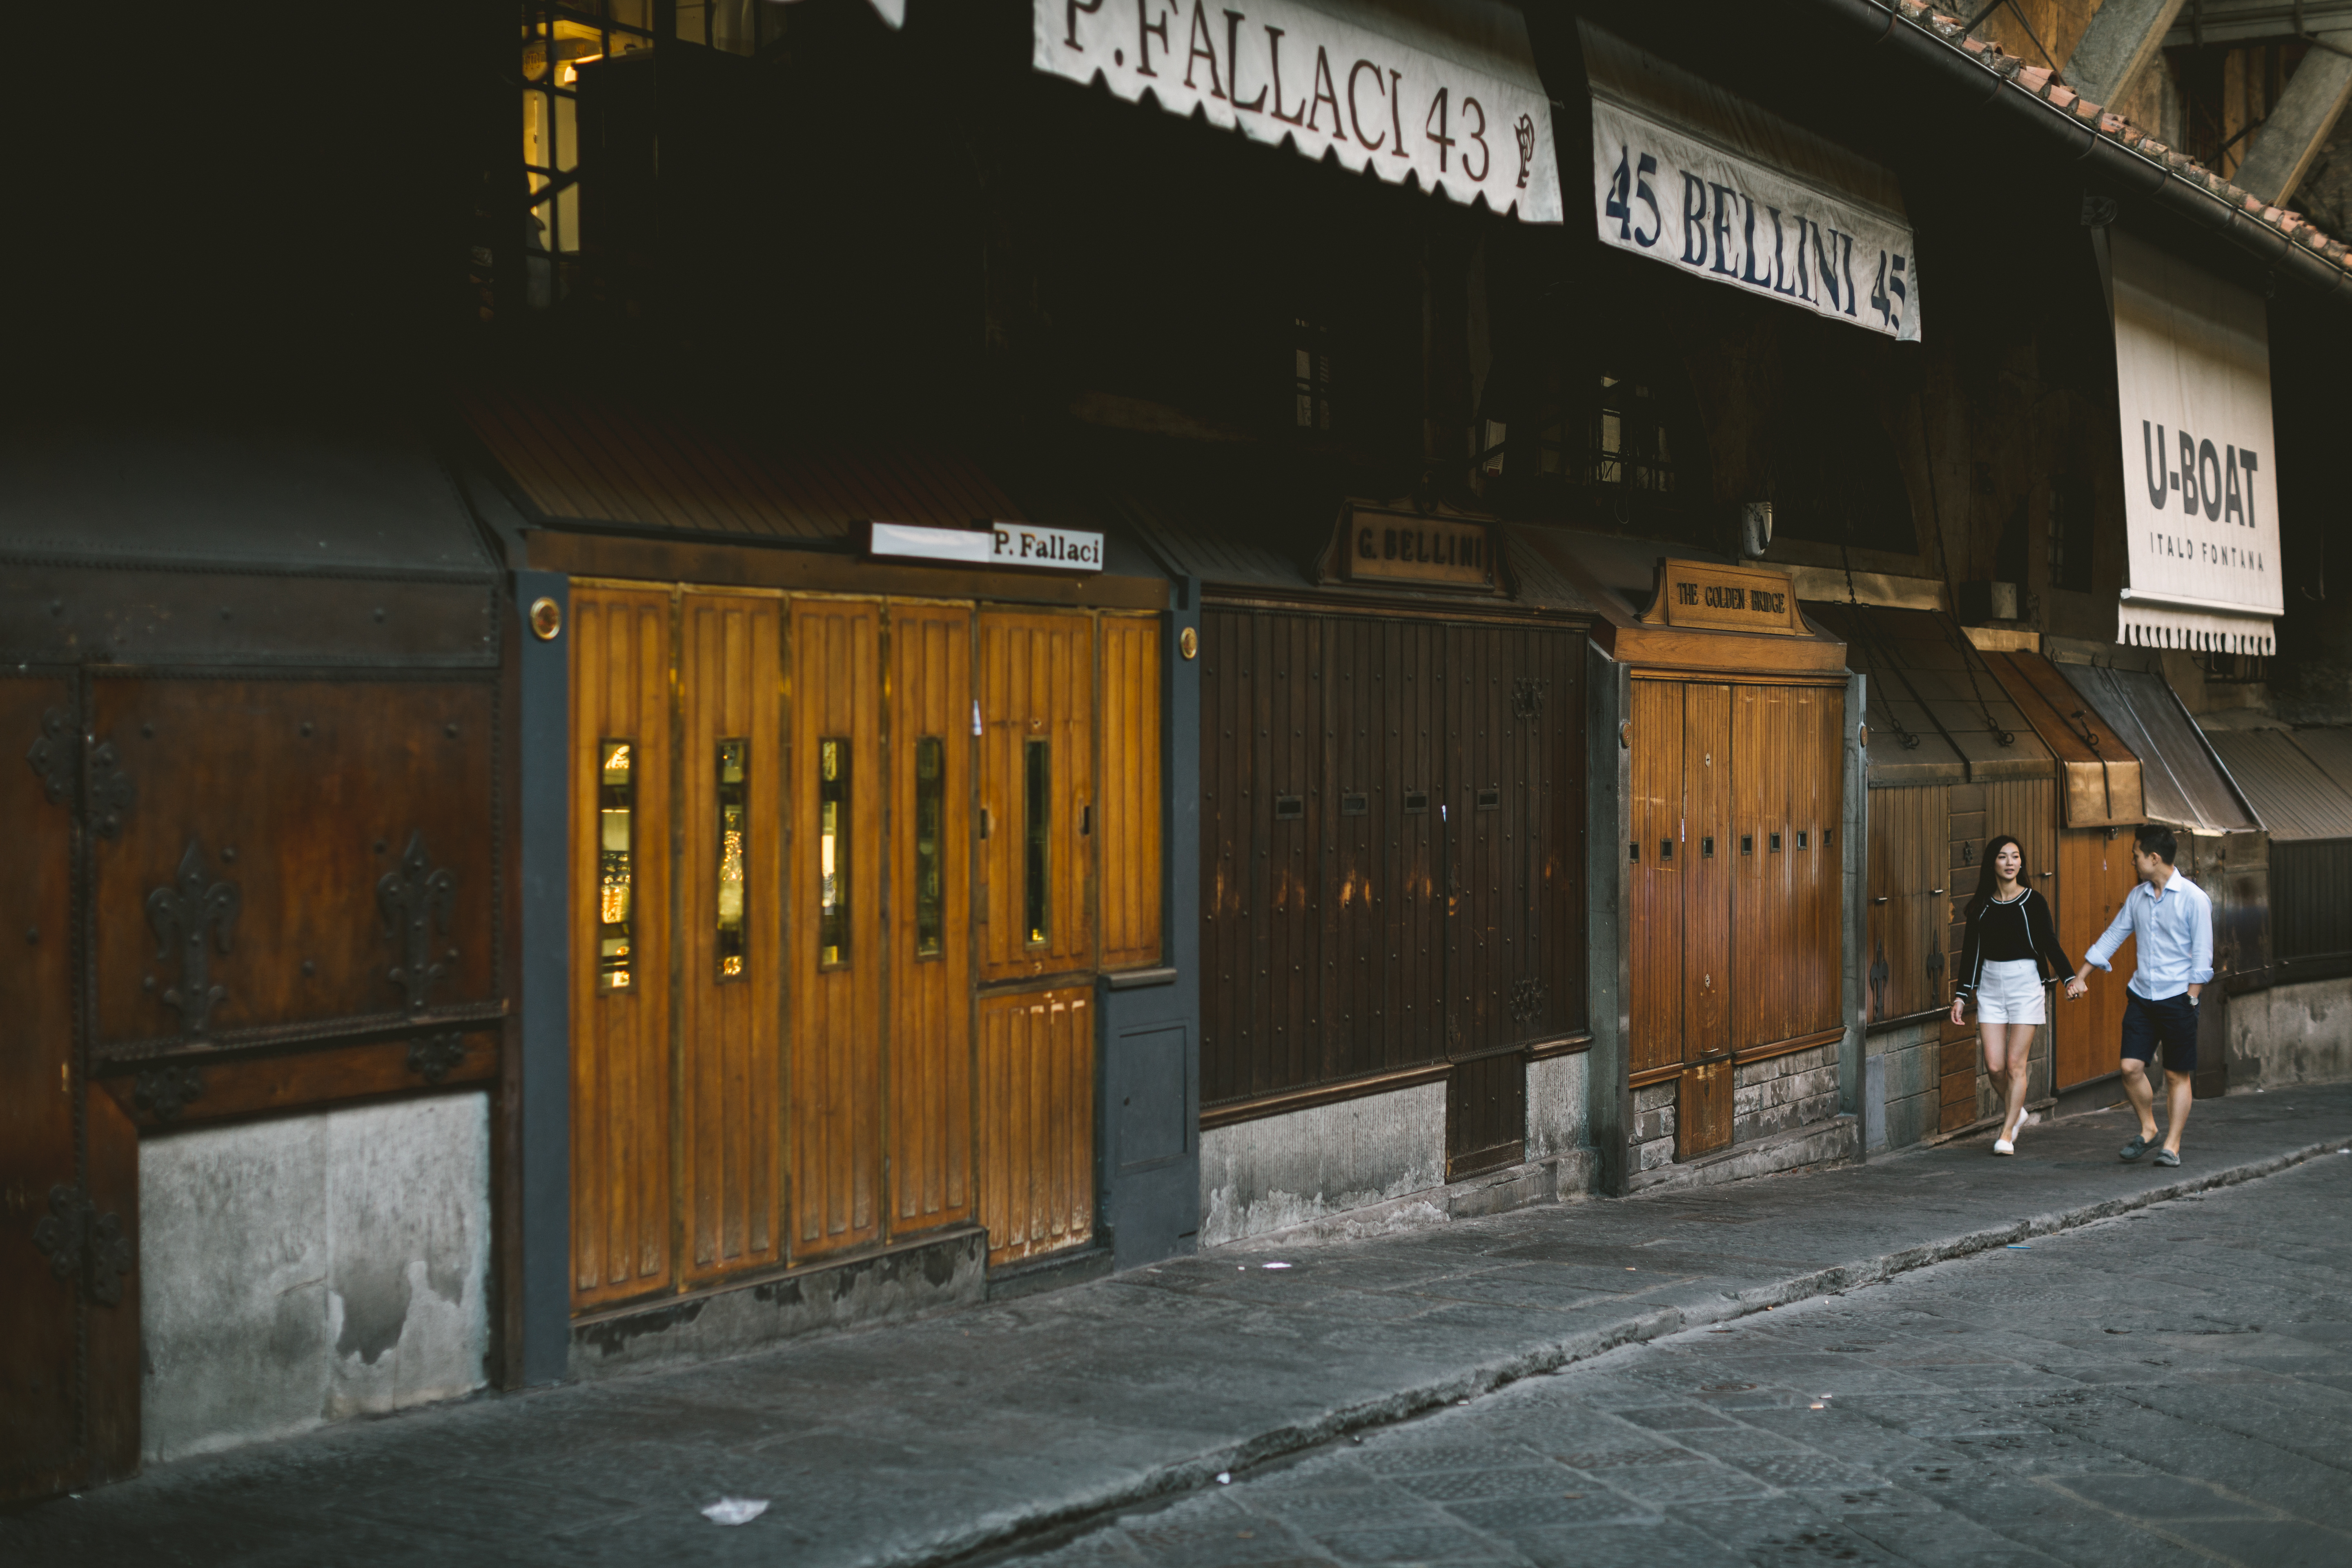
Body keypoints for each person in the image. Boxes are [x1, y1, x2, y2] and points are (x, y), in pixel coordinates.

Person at [2074, 824, 2213, 1168]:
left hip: (2179, 999)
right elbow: (2113, 936)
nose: (2132, 861)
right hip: (2142, 996)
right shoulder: (2139, 897)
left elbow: (2203, 956)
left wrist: (2192, 999)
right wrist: (2081, 976)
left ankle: (2172, 1145)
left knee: (2176, 1074)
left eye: (2136, 855)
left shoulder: (2195, 899)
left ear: (2154, 858)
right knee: (2129, 1068)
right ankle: (2149, 1128)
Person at [1951, 835, 2084, 1155]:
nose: (2010, 863)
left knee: (2015, 1065)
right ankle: (2017, 1110)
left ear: (2021, 863)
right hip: (1991, 986)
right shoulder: (1980, 907)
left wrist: (2069, 978)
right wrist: (1960, 995)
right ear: (1992, 864)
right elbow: (1971, 953)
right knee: (1994, 1067)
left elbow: (2050, 942)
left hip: (2026, 985)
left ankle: (2007, 1133)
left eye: (2015, 857)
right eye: (2003, 857)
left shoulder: (2033, 902)